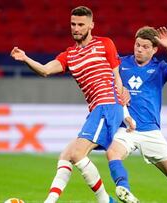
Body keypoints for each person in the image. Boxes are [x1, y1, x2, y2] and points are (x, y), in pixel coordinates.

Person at [10, 6, 134, 203]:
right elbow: (45, 70)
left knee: (77, 154)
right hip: (96, 110)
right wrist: (25, 58)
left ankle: (105, 201)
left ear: (91, 25)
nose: (76, 28)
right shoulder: (69, 55)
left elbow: (117, 79)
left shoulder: (105, 44)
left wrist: (125, 112)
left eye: (81, 25)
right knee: (66, 155)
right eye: (73, 24)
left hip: (108, 106)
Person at [106, 26, 167, 203]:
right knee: (113, 153)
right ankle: (124, 190)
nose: (139, 49)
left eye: (145, 47)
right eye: (137, 45)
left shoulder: (159, 68)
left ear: (154, 50)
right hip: (127, 128)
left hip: (151, 131)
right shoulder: (121, 64)